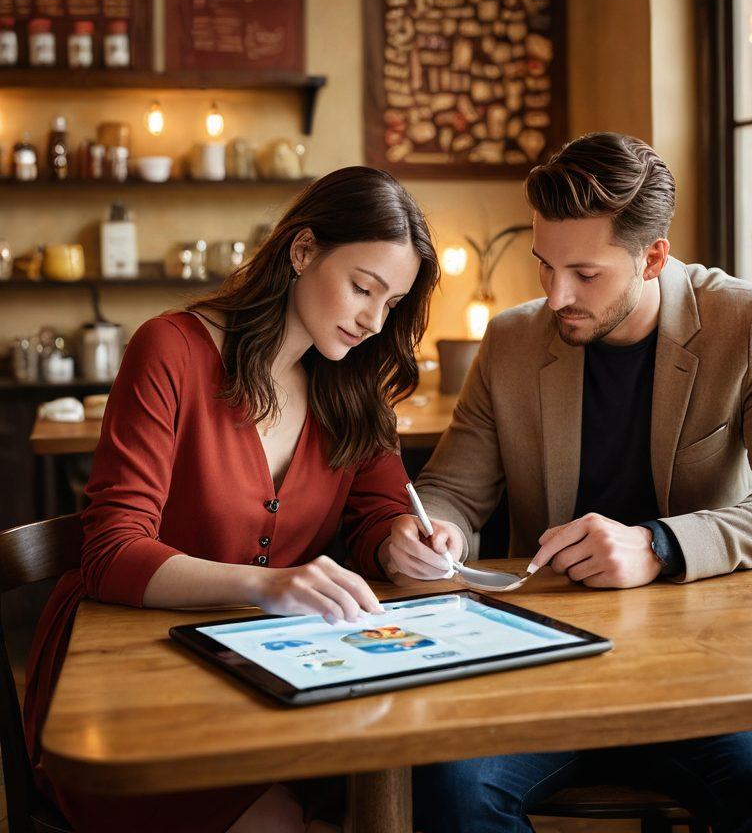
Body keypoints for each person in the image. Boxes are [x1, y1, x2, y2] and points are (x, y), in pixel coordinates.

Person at [384, 132, 752, 833]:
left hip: (712, 661)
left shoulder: (749, 319)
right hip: (543, 662)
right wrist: (435, 530)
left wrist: (659, 545)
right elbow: (454, 489)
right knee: (447, 790)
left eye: (585, 273)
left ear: (653, 257)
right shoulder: (511, 341)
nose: (556, 296)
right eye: (545, 266)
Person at [24, 166, 440, 833]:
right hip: (132, 679)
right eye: (363, 288)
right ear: (303, 250)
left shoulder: (350, 383)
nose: (372, 320)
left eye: (391, 304)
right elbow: (111, 553)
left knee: (412, 787)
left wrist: (403, 543)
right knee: (287, 821)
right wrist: (269, 585)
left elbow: (381, 513)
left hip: (279, 673)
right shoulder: (172, 350)